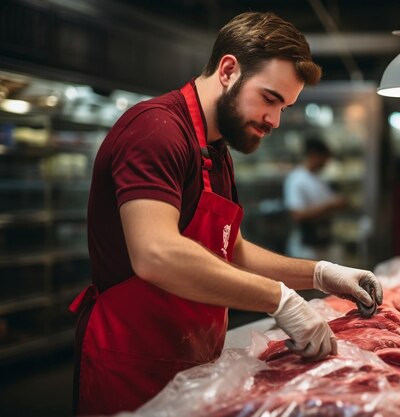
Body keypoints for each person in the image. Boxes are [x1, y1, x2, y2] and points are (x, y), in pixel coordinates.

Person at [69, 12, 382, 416]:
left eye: (284, 107)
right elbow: (156, 253)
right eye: (270, 99)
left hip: (192, 362)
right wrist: (278, 299)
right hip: (130, 365)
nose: (274, 120)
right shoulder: (156, 130)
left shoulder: (217, 151)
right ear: (228, 69)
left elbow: (228, 251)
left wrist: (320, 274)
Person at [284, 137, 348, 261]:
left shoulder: (319, 179)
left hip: (323, 240)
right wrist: (330, 206)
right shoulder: (296, 179)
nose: (326, 162)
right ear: (314, 155)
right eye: (325, 158)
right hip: (306, 246)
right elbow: (297, 215)